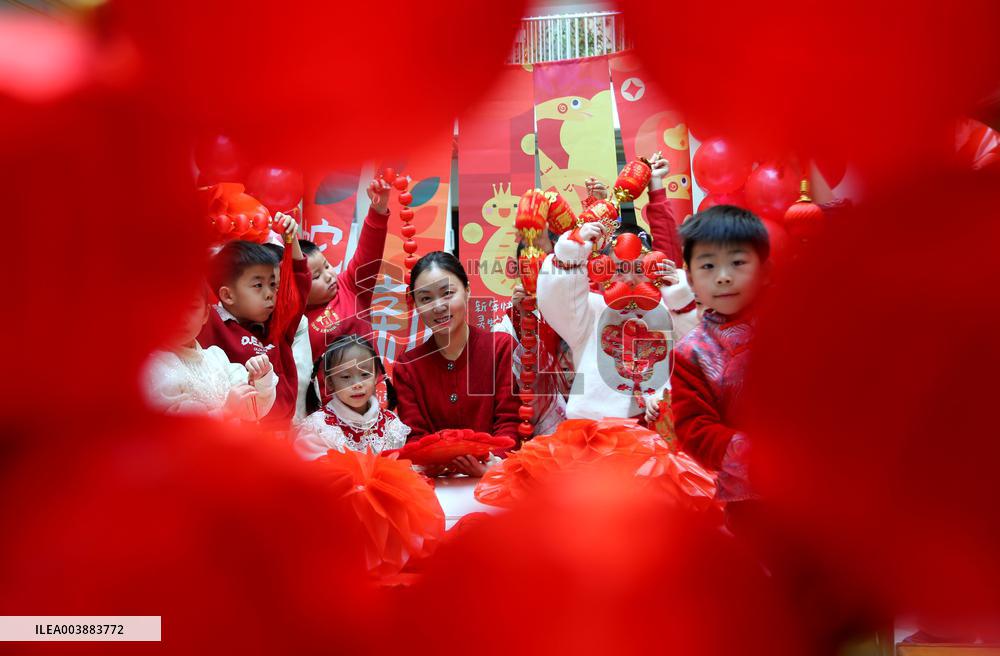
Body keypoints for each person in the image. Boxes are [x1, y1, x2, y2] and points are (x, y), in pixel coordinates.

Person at [535, 154, 692, 423]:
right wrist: (573, 250)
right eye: (620, 269)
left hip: (661, 434)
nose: (630, 278)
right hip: (599, 435)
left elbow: (668, 254)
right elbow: (561, 295)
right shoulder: (592, 312)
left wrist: (656, 186)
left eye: (640, 269)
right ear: (604, 269)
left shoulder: (669, 312)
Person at [393, 251, 520, 476]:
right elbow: (414, 435)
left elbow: (509, 422)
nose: (438, 306)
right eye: (426, 298)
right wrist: (431, 465)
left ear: (467, 291)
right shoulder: (408, 366)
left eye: (448, 293)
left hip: (495, 477)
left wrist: (494, 463)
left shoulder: (500, 348)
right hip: (436, 486)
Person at [670, 204, 770, 475]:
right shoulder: (690, 352)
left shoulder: (792, 327)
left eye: (737, 263)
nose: (723, 277)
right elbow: (694, 427)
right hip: (747, 490)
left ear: (765, 269)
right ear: (690, 277)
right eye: (708, 265)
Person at [198, 213, 309, 426]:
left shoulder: (278, 324)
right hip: (238, 437)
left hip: (282, 436)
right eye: (258, 285)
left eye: (273, 285)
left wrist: (290, 238)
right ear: (227, 295)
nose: (270, 294)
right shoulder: (210, 322)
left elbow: (297, 283)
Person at [144, 286, 277, 420]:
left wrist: (260, 378)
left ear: (205, 314)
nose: (182, 317)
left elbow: (252, 411)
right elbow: (171, 431)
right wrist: (225, 412)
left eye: (191, 307)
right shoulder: (155, 368)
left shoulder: (216, 357)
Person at [293, 334, 409, 459]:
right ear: (330, 383)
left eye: (365, 374)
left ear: (376, 376)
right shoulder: (317, 429)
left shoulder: (392, 424)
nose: (357, 384)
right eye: (346, 377)